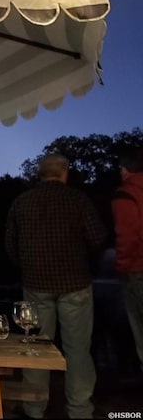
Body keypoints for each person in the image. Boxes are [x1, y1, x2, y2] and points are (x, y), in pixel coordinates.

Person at [5, 153, 108, 419]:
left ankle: (34, 408)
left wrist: (28, 267)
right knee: (78, 350)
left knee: (36, 347)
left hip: (36, 285)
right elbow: (97, 239)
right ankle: (79, 409)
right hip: (75, 285)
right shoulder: (78, 200)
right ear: (64, 173)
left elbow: (10, 246)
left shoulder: (21, 202)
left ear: (40, 174)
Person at [111, 146, 143, 373]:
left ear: (124, 170)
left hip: (136, 269)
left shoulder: (125, 194)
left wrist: (121, 267)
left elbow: (127, 235)